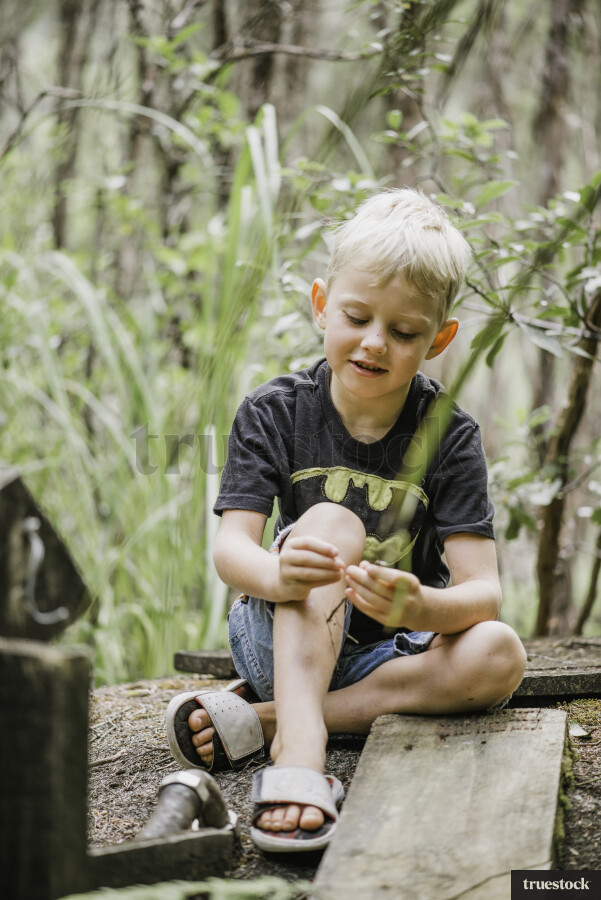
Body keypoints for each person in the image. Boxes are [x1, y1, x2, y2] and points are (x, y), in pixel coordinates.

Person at [166, 188, 527, 853]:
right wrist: (278, 574)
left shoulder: (448, 435)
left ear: (439, 339)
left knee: (500, 653)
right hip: (284, 628)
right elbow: (230, 551)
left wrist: (420, 607)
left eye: (404, 331)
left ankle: (256, 719)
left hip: (386, 658)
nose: (373, 343)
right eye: (356, 316)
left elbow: (482, 593)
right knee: (331, 522)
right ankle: (298, 754)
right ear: (320, 304)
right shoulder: (274, 412)